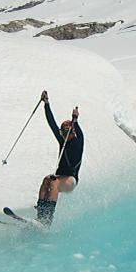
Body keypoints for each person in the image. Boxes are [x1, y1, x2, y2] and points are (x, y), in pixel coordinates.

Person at [36, 90, 83, 226]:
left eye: (66, 133)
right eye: (62, 133)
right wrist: (46, 104)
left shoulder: (78, 141)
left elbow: (78, 131)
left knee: (54, 183)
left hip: (71, 180)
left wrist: (75, 120)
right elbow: (52, 123)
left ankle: (47, 220)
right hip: (60, 176)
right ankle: (40, 216)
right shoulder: (63, 140)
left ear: (72, 132)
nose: (63, 135)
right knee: (47, 180)